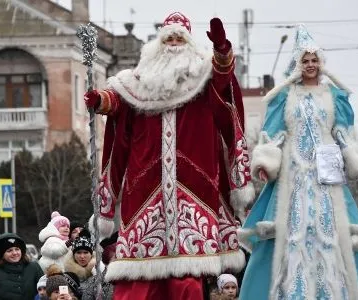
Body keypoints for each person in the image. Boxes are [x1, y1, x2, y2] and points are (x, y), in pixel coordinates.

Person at [84, 11, 253, 299]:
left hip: (194, 189)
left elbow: (224, 81)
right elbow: (117, 102)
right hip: (146, 190)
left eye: (179, 38)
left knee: (186, 281)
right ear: (157, 45)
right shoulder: (138, 81)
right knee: (136, 279)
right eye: (169, 38)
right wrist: (101, 100)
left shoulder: (204, 80)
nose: (174, 43)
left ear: (189, 43)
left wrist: (222, 50)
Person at [238, 25, 358, 300]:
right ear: (298, 64)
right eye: (305, 61)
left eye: (315, 60)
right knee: (292, 229)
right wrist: (265, 163)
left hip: (326, 177)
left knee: (330, 228)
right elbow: (274, 134)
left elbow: (342, 133)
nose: (311, 65)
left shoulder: (333, 96)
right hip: (294, 175)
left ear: (321, 63)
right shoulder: (285, 96)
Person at [0, 233, 44, 300]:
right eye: (9, 250)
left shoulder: (34, 267)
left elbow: (46, 292)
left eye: (17, 249)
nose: (15, 253)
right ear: (2, 254)